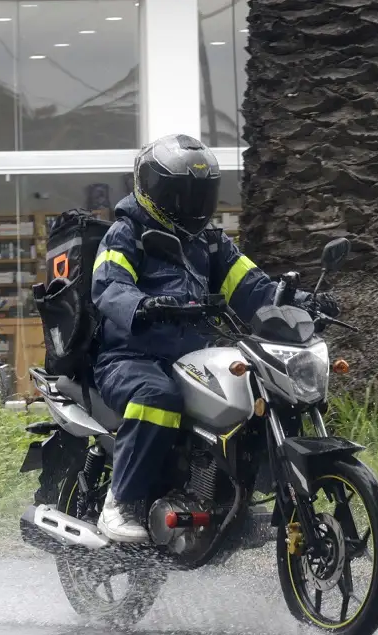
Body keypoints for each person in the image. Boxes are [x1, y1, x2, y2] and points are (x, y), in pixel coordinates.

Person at [91, 134, 338, 543]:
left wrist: (305, 303)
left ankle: (232, 498)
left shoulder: (210, 242)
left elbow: (256, 288)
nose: (192, 205)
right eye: (182, 194)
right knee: (157, 397)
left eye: (200, 194)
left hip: (194, 354)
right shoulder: (126, 234)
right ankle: (121, 502)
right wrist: (144, 305)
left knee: (256, 394)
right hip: (131, 356)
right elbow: (109, 286)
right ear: (154, 190)